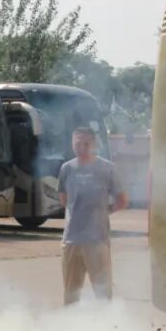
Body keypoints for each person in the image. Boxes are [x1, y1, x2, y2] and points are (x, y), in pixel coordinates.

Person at [57, 127, 128, 305]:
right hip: (71, 240)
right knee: (71, 294)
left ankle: (104, 322)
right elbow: (63, 199)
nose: (81, 147)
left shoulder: (107, 168)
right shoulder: (67, 168)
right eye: (77, 143)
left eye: (86, 143)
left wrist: (104, 211)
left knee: (103, 295)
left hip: (97, 241)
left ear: (94, 144)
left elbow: (122, 200)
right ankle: (70, 321)